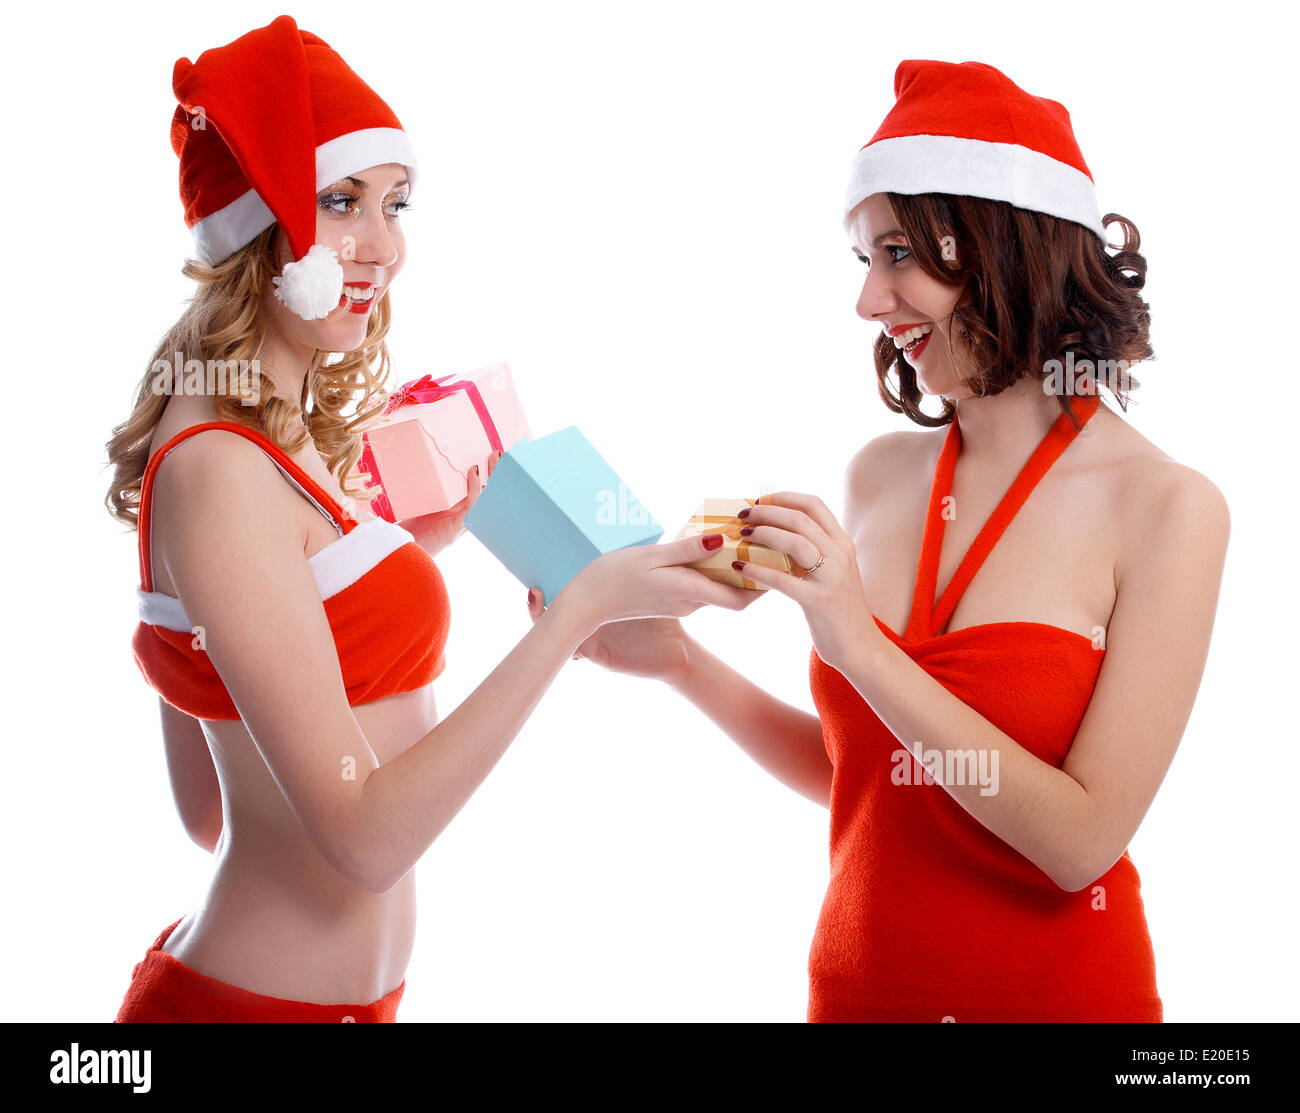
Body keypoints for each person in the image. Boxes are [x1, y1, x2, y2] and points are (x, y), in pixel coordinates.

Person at [529, 59, 1230, 1022]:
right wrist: (681, 665)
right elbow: (870, 773)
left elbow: (1082, 842)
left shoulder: (1169, 509)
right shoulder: (879, 477)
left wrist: (856, 640)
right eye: (864, 261)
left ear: (1002, 244)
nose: (870, 302)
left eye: (897, 253)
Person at [105, 15, 755, 1023]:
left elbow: (213, 812)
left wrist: (397, 555)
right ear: (254, 225)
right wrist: (575, 614)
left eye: (396, 206)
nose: (385, 248)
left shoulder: (252, 445)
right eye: (341, 203)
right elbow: (366, 842)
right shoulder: (221, 473)